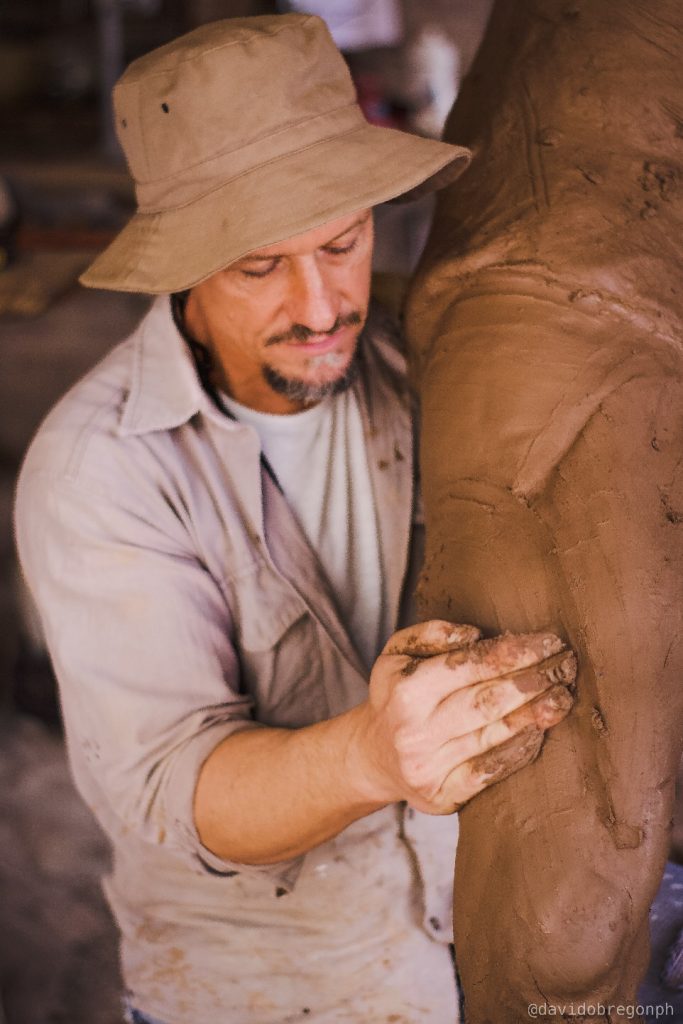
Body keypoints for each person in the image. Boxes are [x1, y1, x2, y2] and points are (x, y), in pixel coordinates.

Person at [14, 14, 576, 1024]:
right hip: (273, 993)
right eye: (258, 265)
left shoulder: (410, 365)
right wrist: (372, 755)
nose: (320, 307)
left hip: (465, 950)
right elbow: (178, 793)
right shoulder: (100, 474)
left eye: (341, 243)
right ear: (183, 265)